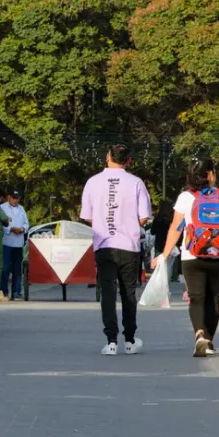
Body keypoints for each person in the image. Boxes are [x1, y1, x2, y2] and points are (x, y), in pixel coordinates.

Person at [154, 157, 219, 357]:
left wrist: (164, 255)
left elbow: (175, 228)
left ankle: (199, 335)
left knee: (196, 298)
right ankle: (208, 341)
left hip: (191, 256)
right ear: (210, 175)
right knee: (214, 300)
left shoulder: (185, 198)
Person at [80, 144, 151, 356]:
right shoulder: (136, 183)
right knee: (129, 293)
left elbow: (87, 215)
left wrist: (106, 217)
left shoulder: (93, 182)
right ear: (128, 161)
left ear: (107, 156)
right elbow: (143, 217)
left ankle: (111, 341)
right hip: (129, 244)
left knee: (108, 292)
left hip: (104, 244)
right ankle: (129, 340)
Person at [0, 191, 29, 301]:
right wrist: (10, 229)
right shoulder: (2, 207)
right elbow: (0, 223)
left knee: (18, 268)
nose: (15, 200)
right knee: (6, 267)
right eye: (13, 198)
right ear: (8, 197)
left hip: (18, 242)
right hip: (7, 241)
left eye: (17, 198)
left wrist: (22, 229)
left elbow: (26, 223)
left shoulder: (21, 208)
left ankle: (16, 291)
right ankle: (4, 291)